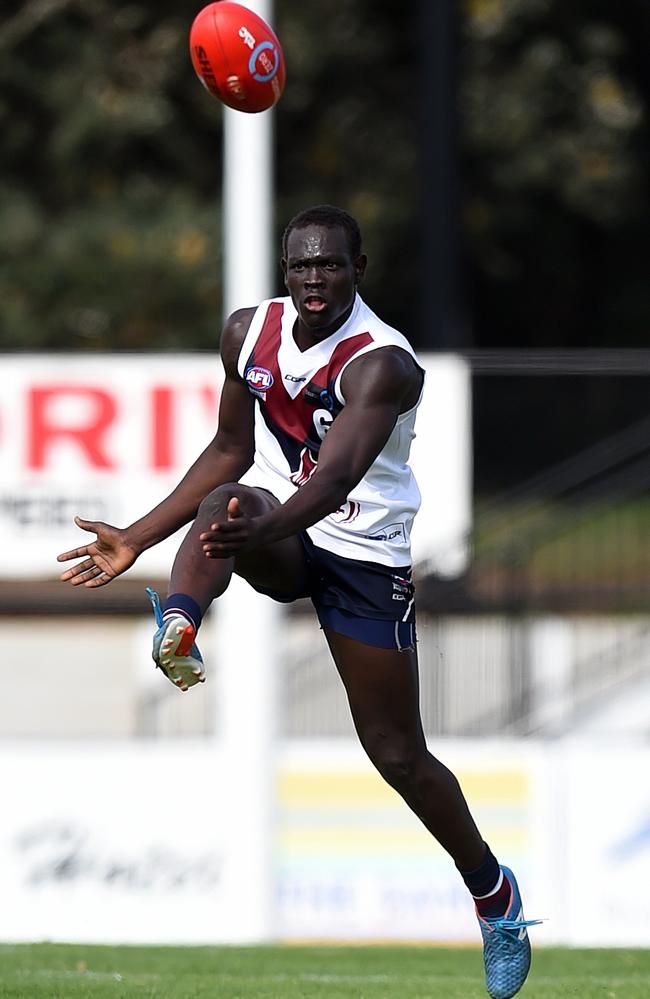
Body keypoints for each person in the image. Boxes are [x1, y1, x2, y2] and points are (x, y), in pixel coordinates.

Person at [57, 204, 538, 998]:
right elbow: (229, 452)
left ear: (359, 269)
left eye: (331, 265)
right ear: (286, 270)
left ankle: (495, 895)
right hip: (280, 527)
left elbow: (336, 480)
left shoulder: (381, 362)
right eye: (301, 265)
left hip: (362, 553)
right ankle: (179, 620)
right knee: (227, 505)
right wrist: (137, 538)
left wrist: (262, 525)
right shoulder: (247, 333)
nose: (315, 279)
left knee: (396, 754)